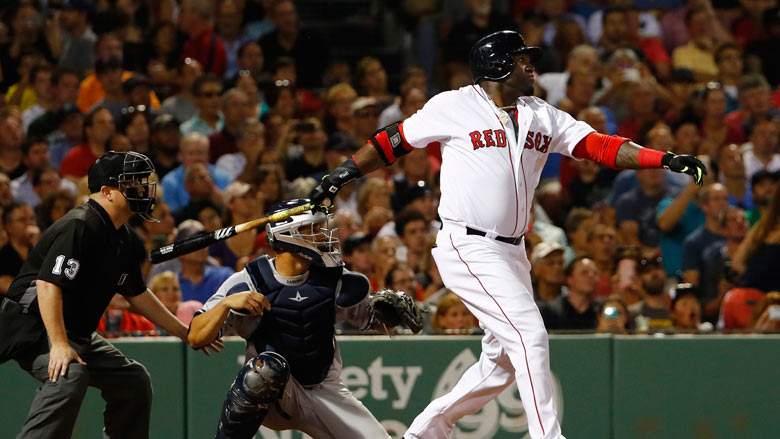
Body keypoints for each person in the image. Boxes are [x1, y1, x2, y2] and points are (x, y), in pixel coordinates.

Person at [310, 30, 706, 439]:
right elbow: (393, 140)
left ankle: (425, 432)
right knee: (530, 335)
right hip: (468, 243)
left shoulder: (541, 113)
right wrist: (343, 173)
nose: (531, 66)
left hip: (514, 252)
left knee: (499, 363)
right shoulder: (454, 105)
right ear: (497, 66)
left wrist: (663, 158)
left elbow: (598, 146)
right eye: (521, 59)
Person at [0, 151, 221, 438]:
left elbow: (137, 295)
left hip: (76, 331)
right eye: (132, 183)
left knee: (133, 380)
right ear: (107, 192)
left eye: (143, 182)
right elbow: (47, 284)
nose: (142, 189)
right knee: (69, 374)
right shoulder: (80, 224)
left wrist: (184, 332)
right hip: (33, 326)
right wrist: (58, 344)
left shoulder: (124, 237)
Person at [187, 199, 421, 438]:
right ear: (289, 235)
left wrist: (393, 314)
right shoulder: (250, 280)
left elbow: (372, 322)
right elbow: (195, 337)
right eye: (313, 229)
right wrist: (226, 304)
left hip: (325, 389)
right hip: (276, 395)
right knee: (264, 369)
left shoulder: (334, 276)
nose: (322, 235)